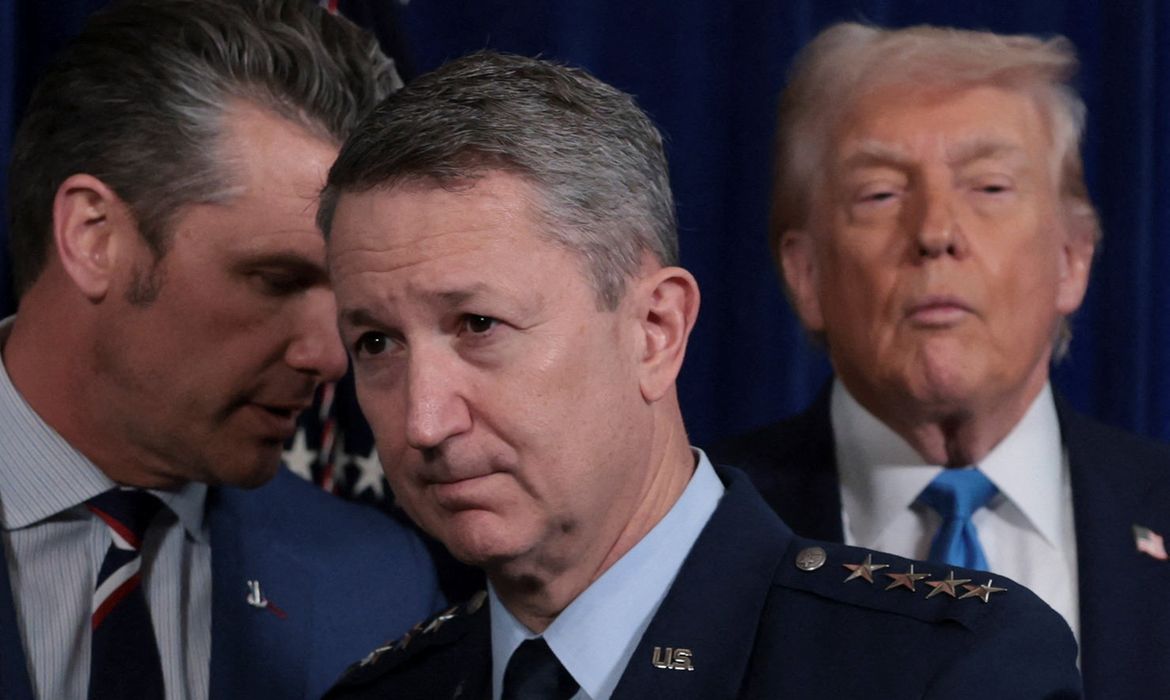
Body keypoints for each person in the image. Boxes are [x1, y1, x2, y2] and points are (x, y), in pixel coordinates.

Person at [318, 50, 1080, 699]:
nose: (424, 420)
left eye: (478, 325)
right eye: (378, 343)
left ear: (656, 331)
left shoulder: (942, 670)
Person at [711, 22, 1170, 698]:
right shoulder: (699, 534)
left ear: (1072, 258)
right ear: (806, 275)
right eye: (880, 194)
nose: (934, 233)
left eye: (988, 187)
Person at [0, 1, 444, 698]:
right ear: (95, 237)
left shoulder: (377, 587)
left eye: (354, 309)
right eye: (275, 280)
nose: (332, 359)